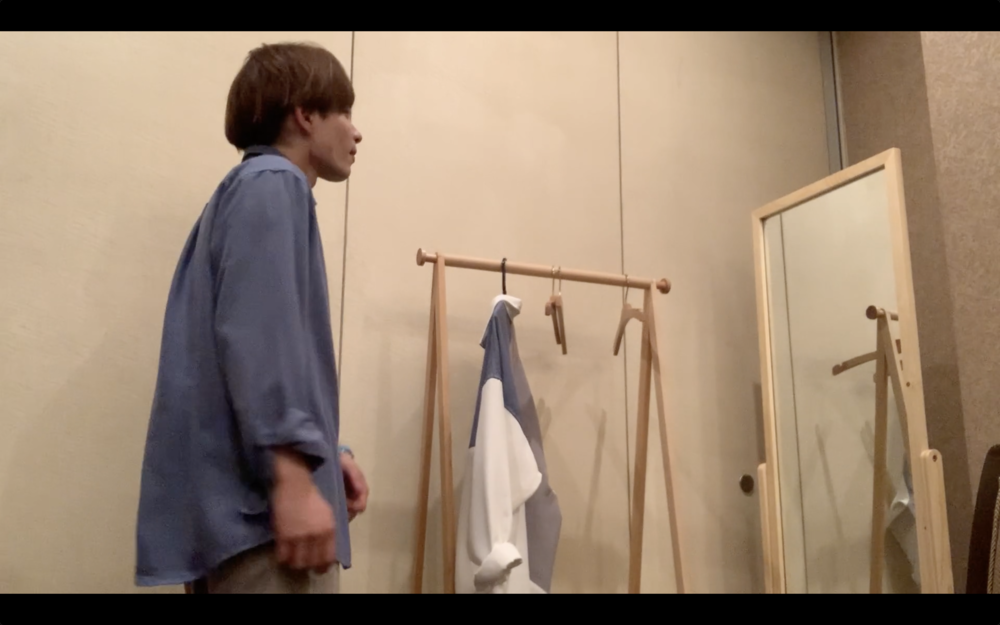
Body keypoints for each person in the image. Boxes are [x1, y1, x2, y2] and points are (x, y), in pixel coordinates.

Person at [134, 41, 367, 594]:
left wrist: (325, 454)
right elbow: (260, 340)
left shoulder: (240, 195)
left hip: (232, 523)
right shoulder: (273, 184)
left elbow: (233, 354)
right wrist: (292, 476)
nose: (356, 133)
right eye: (344, 112)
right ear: (305, 115)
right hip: (263, 525)